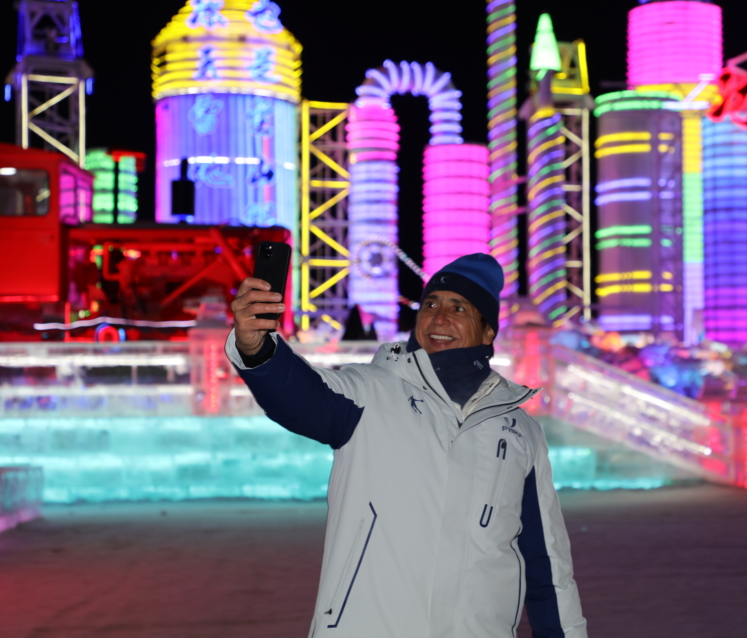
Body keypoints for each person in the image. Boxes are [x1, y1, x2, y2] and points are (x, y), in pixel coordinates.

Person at [227, 253, 587, 638]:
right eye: (430, 305)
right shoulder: (369, 393)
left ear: (487, 333)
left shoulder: (520, 431)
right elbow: (298, 395)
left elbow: (546, 565)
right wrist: (259, 348)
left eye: (458, 308)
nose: (439, 318)